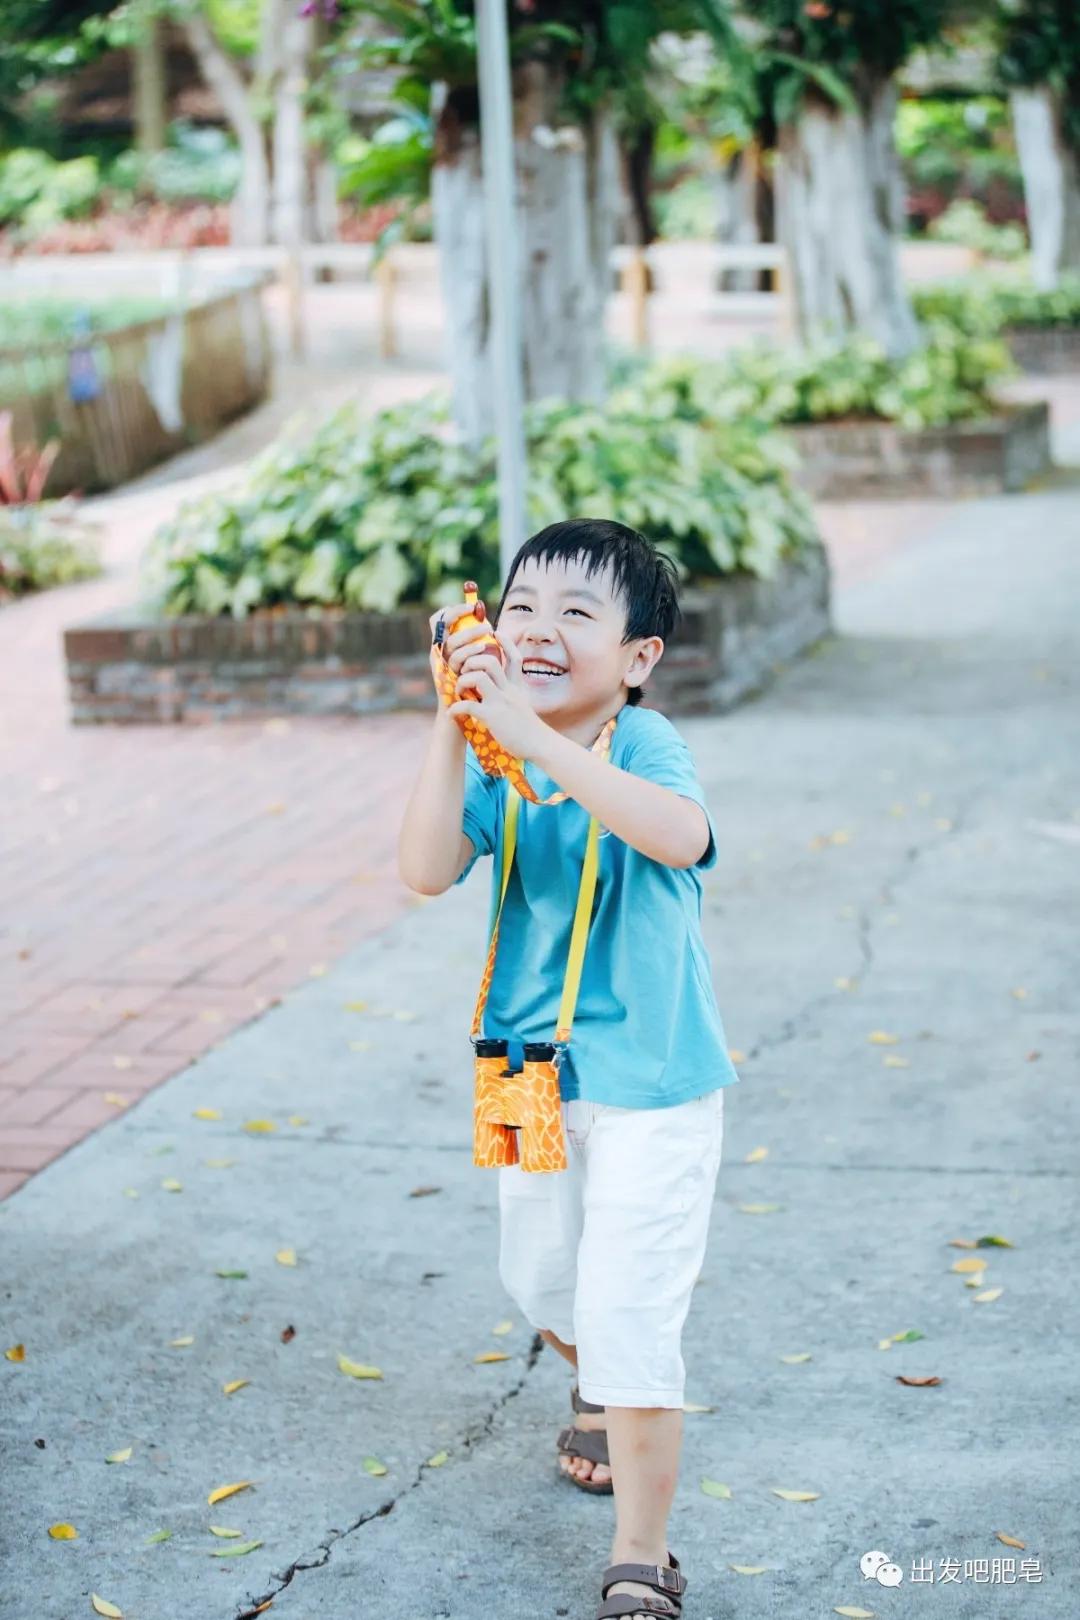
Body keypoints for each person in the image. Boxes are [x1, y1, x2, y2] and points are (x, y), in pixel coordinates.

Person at [397, 518, 740, 1620]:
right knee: (538, 1279)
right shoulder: (496, 754)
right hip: (518, 1066)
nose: (539, 630)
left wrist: (533, 737)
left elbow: (679, 837)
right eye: (522, 607)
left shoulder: (642, 746)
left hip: (651, 1079)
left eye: (576, 613)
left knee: (630, 1307)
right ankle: (597, 1387)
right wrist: (457, 724)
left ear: (637, 658)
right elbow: (421, 869)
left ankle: (643, 1552)